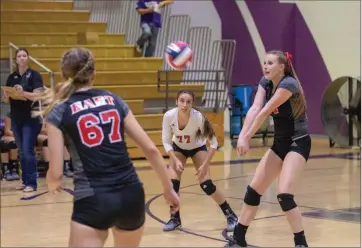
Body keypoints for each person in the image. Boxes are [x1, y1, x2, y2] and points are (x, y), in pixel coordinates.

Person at [33, 47, 179, 247]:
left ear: (64, 75)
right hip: (131, 194)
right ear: (94, 74)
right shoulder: (113, 100)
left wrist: (52, 184)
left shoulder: (60, 111)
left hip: (93, 199)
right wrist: (168, 188)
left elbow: (56, 172)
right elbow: (151, 150)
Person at [225, 51, 311, 248]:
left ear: (281, 66)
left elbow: (265, 111)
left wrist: (247, 137)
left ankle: (301, 243)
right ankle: (238, 238)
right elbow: (255, 108)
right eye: (264, 63)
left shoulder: (289, 84)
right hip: (280, 142)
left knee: (284, 195)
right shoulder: (265, 82)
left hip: (298, 142)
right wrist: (242, 136)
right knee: (253, 191)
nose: (265, 66)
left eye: (270, 63)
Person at [162, 89, 239, 232]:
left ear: (193, 103)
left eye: (188, 102)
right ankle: (175, 218)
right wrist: (175, 160)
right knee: (173, 184)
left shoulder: (199, 118)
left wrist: (205, 164)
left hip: (198, 148)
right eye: (182, 101)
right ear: (176, 102)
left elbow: (214, 143)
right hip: (178, 148)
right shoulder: (169, 116)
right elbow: (166, 141)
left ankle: (231, 216)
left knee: (207, 185)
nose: (185, 104)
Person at [3, 48, 44, 192]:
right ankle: (25, 180)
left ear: (28, 58)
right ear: (15, 59)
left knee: (28, 150)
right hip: (16, 118)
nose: (21, 58)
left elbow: (37, 95)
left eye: (24, 55)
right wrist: (7, 96)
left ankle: (32, 183)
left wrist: (23, 92)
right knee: (21, 151)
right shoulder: (12, 77)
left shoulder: (35, 75)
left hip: (31, 118)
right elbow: (7, 100)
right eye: (19, 56)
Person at [0, 112, 19, 181]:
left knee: (15, 143)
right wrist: (17, 136)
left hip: (21, 136)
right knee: (8, 143)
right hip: (12, 135)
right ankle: (6, 170)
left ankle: (14, 168)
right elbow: (7, 131)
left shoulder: (28, 115)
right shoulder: (10, 115)